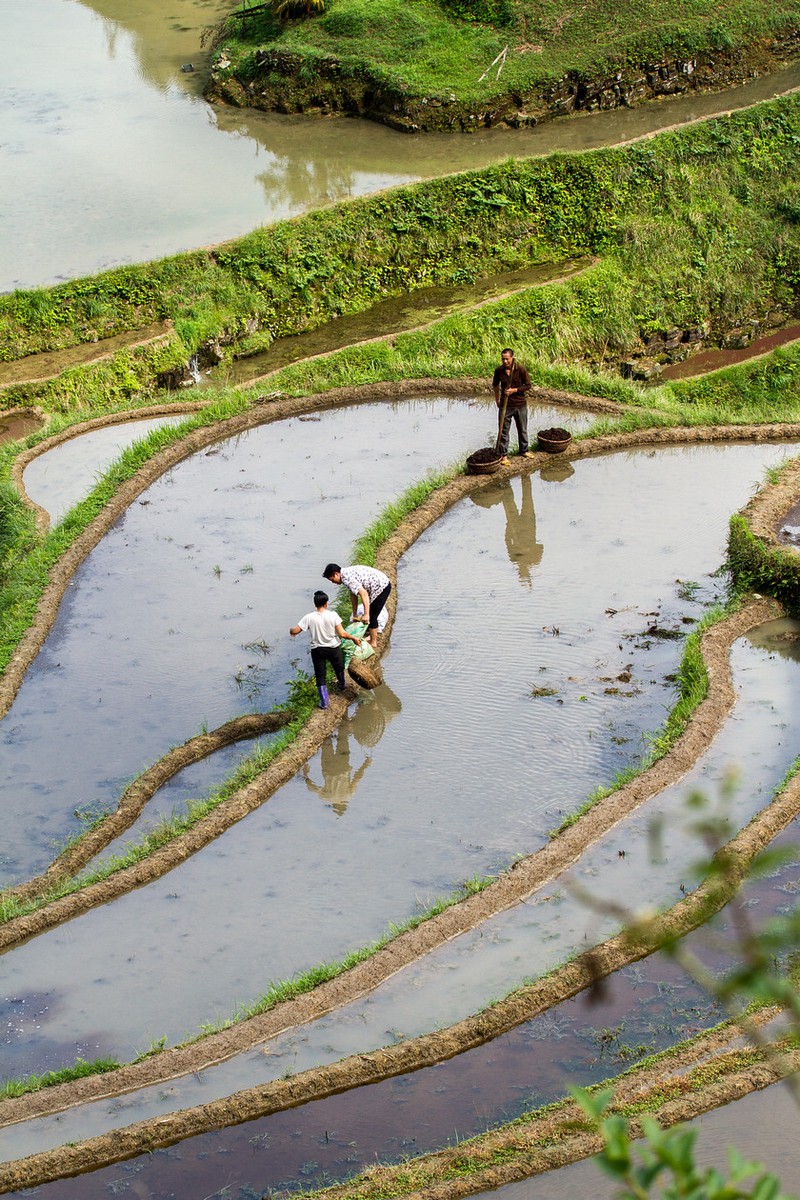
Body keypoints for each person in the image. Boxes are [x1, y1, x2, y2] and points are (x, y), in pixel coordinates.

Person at [290, 590, 361, 709]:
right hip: (333, 648)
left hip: (318, 650)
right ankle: (342, 686)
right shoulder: (333, 615)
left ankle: (324, 703)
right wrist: (353, 638)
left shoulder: (309, 617)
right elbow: (342, 633)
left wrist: (291, 631)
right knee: (339, 668)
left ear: (315, 604)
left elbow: (296, 630)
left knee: (320, 675)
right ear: (326, 603)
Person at [323, 563, 391, 650]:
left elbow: (364, 593)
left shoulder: (347, 578)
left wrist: (366, 614)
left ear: (336, 574)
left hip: (382, 586)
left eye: (332, 580)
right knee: (371, 612)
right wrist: (354, 614)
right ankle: (370, 633)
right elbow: (353, 595)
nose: (333, 582)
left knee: (372, 616)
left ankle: (373, 642)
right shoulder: (345, 575)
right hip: (377, 585)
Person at [492, 347, 533, 462]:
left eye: (507, 359)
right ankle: (504, 455)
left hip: (520, 404)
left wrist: (514, 390)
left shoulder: (520, 369)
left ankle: (524, 450)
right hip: (506, 406)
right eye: (503, 359)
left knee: (522, 428)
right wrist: (497, 400)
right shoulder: (499, 371)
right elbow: (495, 386)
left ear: (512, 358)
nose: (505, 362)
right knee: (503, 431)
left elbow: (528, 385)